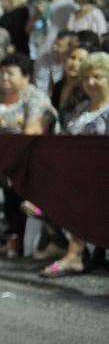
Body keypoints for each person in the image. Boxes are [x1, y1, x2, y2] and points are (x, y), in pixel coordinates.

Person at [40, 52, 109, 277]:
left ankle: (74, 255)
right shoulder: (81, 108)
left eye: (97, 77)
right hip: (77, 173)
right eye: (87, 77)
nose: (90, 82)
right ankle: (70, 248)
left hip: (99, 176)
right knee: (38, 196)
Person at [0, 53, 56, 257]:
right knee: (8, 202)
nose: (4, 77)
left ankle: (33, 242)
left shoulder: (36, 97)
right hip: (2, 161)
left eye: (10, 73)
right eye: (2, 73)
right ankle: (12, 238)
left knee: (22, 202)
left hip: (29, 161)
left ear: (26, 76)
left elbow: (32, 131)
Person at [30, 0, 77, 90]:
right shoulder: (43, 3)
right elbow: (29, 28)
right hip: (42, 48)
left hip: (60, 50)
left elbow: (72, 27)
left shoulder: (68, 3)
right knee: (40, 82)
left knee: (59, 81)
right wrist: (37, 13)